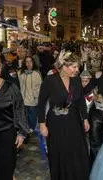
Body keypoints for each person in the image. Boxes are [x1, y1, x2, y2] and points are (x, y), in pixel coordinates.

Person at [38, 51, 90, 180]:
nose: (77, 70)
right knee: (59, 152)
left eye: (77, 67)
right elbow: (41, 103)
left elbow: (81, 102)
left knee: (76, 151)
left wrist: (85, 119)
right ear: (64, 66)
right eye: (74, 67)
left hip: (73, 121)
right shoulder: (50, 80)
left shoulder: (76, 80)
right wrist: (42, 124)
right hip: (55, 122)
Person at [18, 56, 42, 132]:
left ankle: (32, 128)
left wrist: (36, 96)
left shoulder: (36, 74)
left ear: (33, 63)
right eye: (27, 62)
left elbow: (40, 86)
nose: (29, 63)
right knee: (24, 116)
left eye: (30, 61)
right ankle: (26, 128)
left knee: (32, 116)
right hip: (23, 99)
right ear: (24, 63)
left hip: (33, 100)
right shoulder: (20, 73)